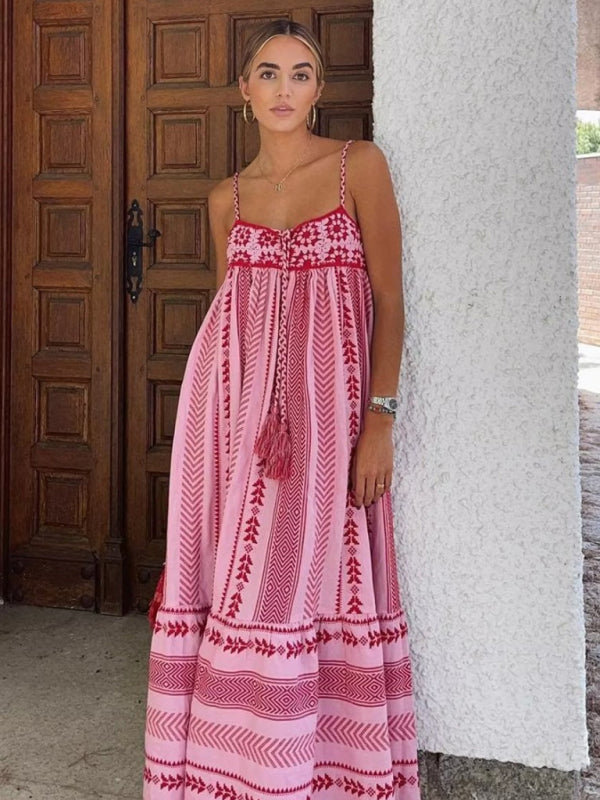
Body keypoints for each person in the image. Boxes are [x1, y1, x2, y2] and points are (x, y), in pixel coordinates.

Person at [143, 18, 421, 800]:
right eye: (268, 73)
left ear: (320, 90)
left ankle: (320, 772)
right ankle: (235, 772)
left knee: (325, 578)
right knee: (238, 578)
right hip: (232, 423)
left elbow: (390, 300)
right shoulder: (224, 199)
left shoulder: (358, 166)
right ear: (244, 90)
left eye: (300, 74)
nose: (284, 89)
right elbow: (233, 317)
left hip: (333, 422)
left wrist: (381, 419)